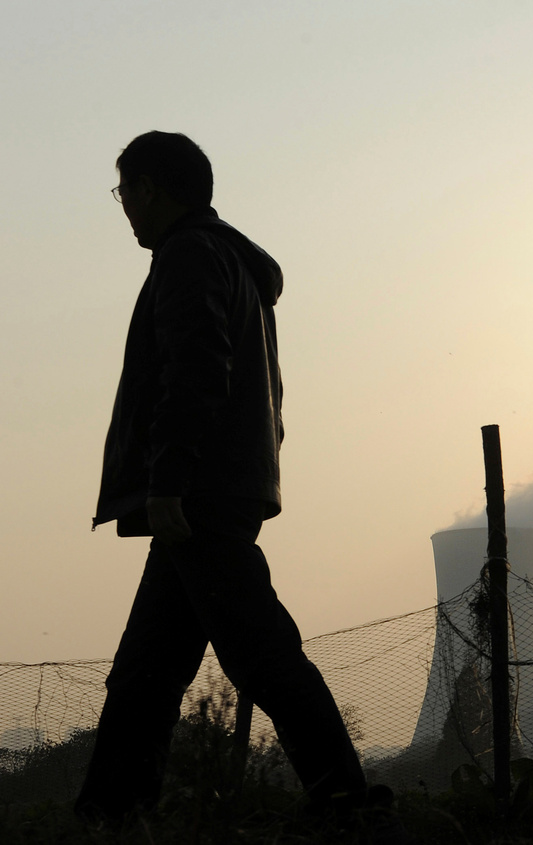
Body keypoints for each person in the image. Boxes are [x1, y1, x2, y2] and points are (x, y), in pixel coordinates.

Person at [77, 131, 369, 821]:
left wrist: (168, 480)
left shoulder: (187, 255)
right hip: (227, 485)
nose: (125, 209)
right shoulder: (233, 261)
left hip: (198, 494)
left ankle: (350, 804)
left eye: (125, 192)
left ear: (150, 188)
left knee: (263, 654)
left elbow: (197, 369)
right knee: (147, 670)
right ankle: (109, 813)